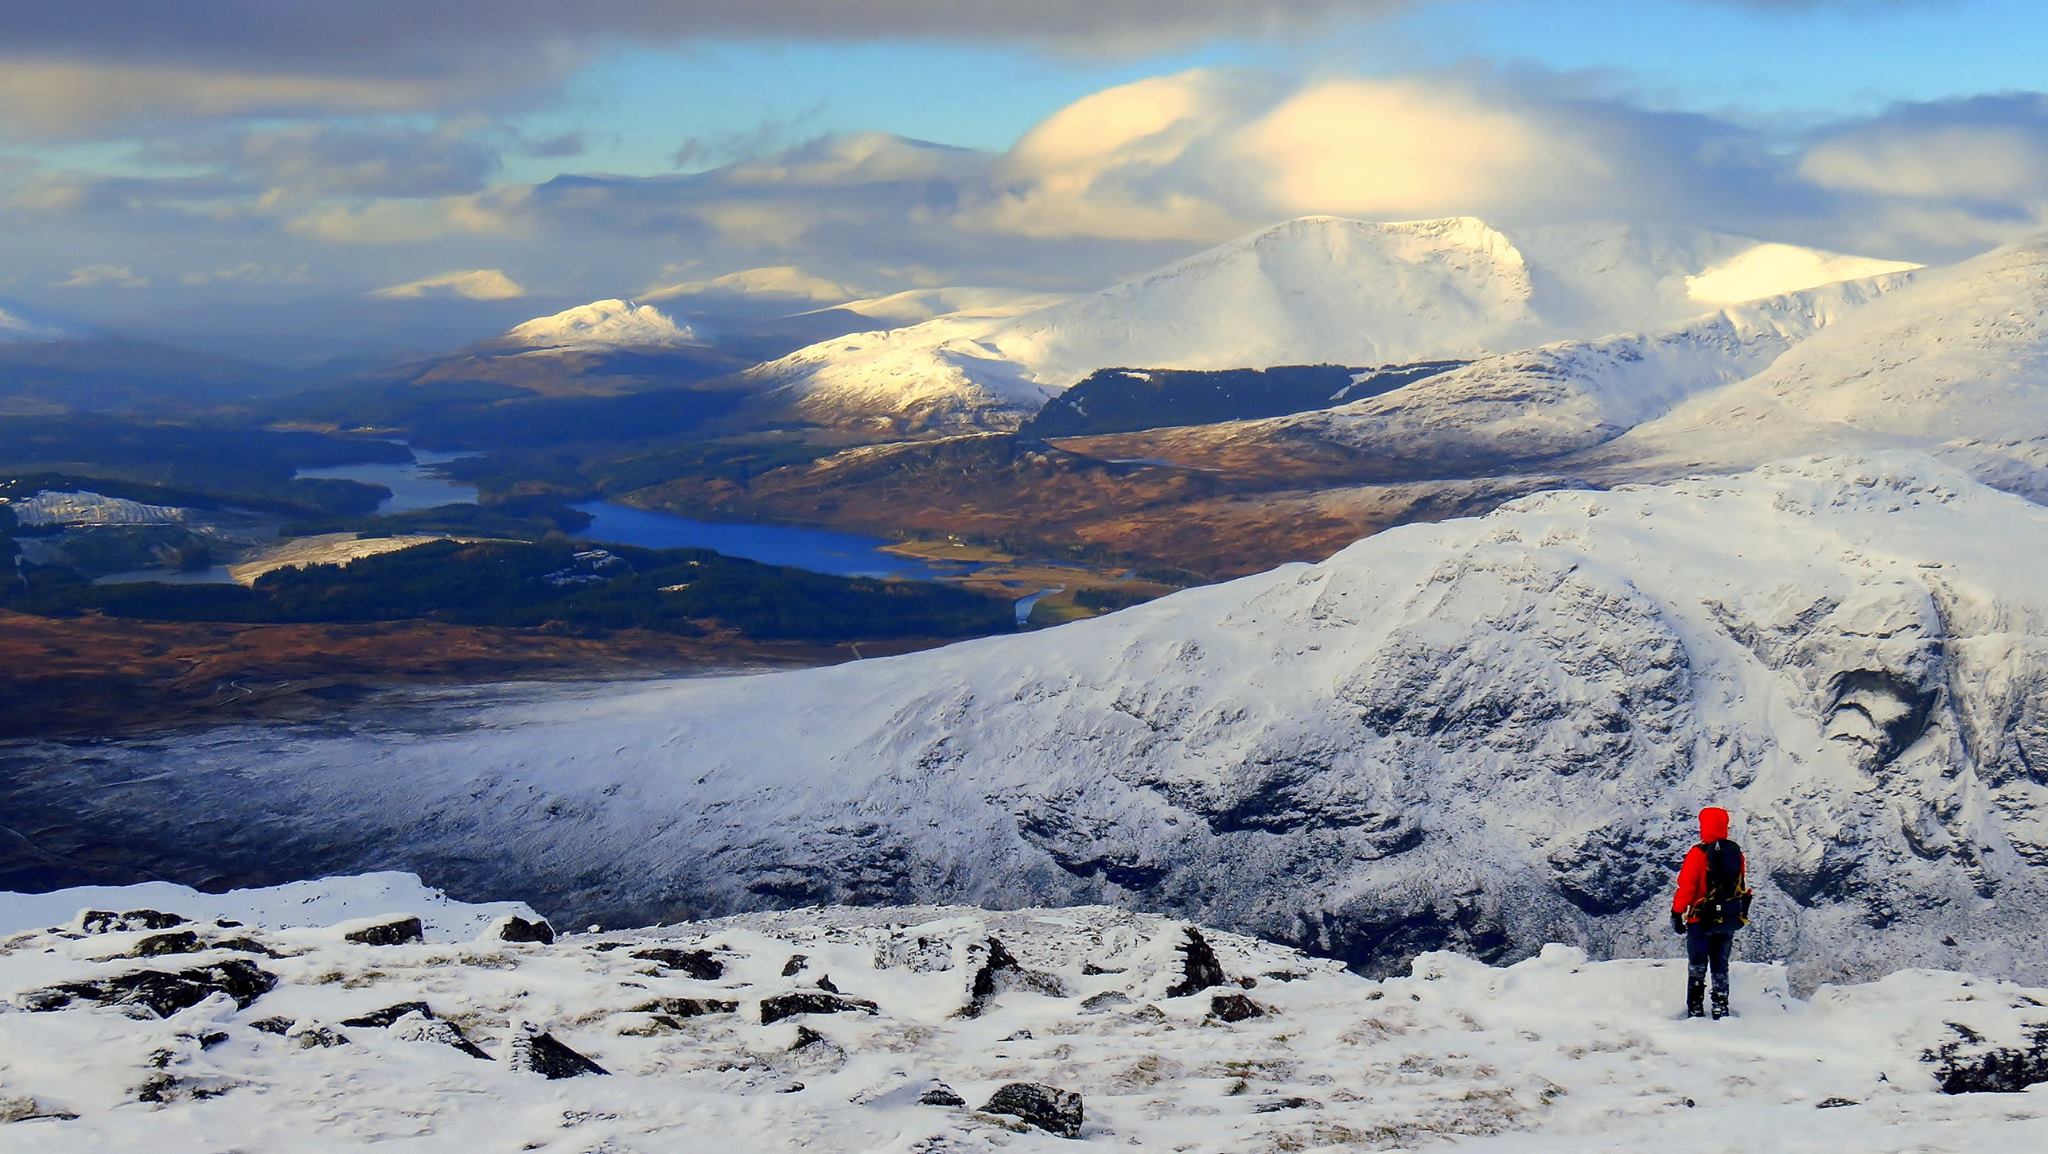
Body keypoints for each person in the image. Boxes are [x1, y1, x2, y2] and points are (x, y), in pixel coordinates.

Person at [1670, 806, 1752, 1020]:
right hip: (1728, 918)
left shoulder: (1698, 854)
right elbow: (1740, 883)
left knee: (1698, 964)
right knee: (1720, 964)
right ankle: (1720, 1007)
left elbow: (1687, 887)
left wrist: (1677, 913)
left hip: (1701, 919)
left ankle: (1696, 1009)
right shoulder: (1736, 853)